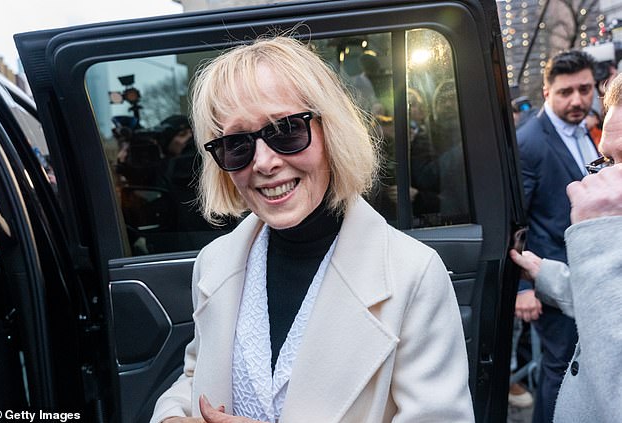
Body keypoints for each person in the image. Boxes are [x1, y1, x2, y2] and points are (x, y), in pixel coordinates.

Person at [150, 36, 474, 423]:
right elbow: (196, 375)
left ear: (330, 131)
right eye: (237, 144)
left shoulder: (413, 273)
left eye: (286, 130)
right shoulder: (214, 263)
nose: (264, 162)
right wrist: (171, 416)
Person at [509, 71, 622, 423]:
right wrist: (543, 277)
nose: (608, 180)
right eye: (610, 161)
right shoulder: (529, 140)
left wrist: (599, 235)